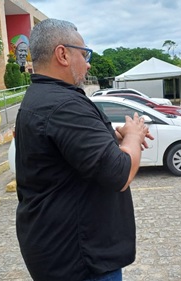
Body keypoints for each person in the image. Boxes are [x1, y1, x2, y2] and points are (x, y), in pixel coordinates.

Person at [14, 18, 153, 281]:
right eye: (84, 53)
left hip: (57, 251)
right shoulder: (65, 105)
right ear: (63, 54)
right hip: (80, 259)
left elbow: (73, 152)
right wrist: (133, 137)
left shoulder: (41, 97)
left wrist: (116, 139)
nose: (88, 62)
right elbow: (119, 175)